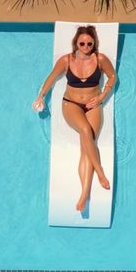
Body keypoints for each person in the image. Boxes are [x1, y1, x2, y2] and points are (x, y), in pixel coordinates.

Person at [33, 25, 117, 212]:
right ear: (76, 43)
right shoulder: (66, 60)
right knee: (86, 131)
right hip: (70, 105)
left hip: (93, 105)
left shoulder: (100, 59)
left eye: (89, 43)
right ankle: (100, 171)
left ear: (94, 43)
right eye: (82, 43)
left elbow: (113, 76)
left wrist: (102, 96)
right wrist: (41, 96)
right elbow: (51, 77)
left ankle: (85, 193)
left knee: (87, 147)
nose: (86, 46)